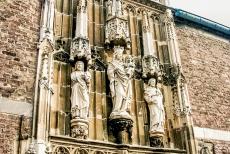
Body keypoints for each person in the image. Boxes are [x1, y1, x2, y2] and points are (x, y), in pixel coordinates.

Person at [107, 46, 133, 119]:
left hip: (125, 83)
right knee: (120, 94)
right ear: (116, 55)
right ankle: (116, 109)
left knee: (125, 96)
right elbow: (109, 72)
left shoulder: (123, 64)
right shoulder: (112, 63)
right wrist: (114, 71)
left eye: (121, 55)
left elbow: (128, 74)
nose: (120, 56)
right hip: (117, 82)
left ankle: (123, 109)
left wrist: (128, 72)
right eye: (119, 54)